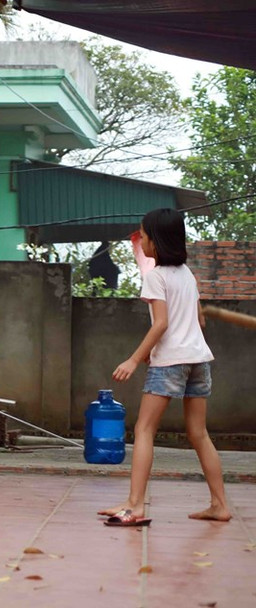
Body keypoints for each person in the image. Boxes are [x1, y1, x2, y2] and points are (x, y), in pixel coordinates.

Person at [100, 208, 231, 526]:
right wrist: (156, 350)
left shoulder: (155, 276)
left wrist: (134, 358)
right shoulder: (187, 274)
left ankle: (135, 505)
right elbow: (198, 320)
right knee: (199, 434)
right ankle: (219, 504)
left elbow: (161, 324)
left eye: (143, 235)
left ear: (155, 241)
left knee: (144, 430)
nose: (141, 241)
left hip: (171, 363)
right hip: (199, 360)